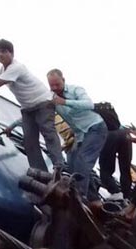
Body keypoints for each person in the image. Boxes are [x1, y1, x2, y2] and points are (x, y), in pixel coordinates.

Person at [0, 39, 64, 171]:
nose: (0, 55)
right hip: (27, 109)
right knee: (29, 141)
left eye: (4, 52)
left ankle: (58, 167)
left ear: (11, 53)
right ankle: (40, 172)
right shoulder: (0, 71)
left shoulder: (17, 67)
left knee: (48, 132)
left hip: (43, 103)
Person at [46, 69, 108, 201]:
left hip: (96, 127)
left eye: (57, 84)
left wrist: (65, 102)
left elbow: (89, 104)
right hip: (80, 135)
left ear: (63, 80)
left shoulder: (75, 90)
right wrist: (13, 125)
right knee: (72, 162)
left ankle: (79, 197)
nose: (55, 88)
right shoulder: (51, 98)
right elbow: (41, 114)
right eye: (52, 86)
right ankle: (93, 199)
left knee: (83, 160)